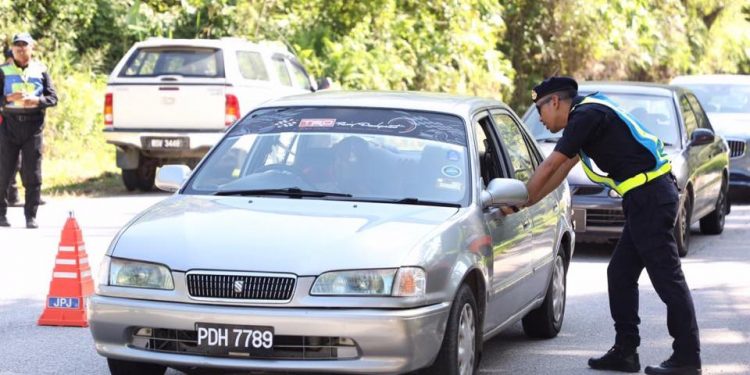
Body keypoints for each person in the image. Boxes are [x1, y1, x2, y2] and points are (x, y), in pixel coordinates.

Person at [521, 77, 701, 375]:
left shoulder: (585, 116)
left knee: (668, 279)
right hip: (646, 198)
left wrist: (521, 200)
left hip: (651, 198)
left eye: (540, 109)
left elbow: (552, 164)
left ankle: (687, 358)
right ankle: (625, 351)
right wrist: (528, 202)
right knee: (620, 273)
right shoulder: (587, 116)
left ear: (555, 102)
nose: (540, 118)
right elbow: (564, 168)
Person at [0, 33, 57, 229]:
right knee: (4, 172)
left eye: (24, 46)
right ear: (12, 49)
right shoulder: (3, 70)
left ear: (32, 48)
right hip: (9, 127)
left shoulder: (41, 69)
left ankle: (30, 216)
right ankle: (1, 215)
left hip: (33, 126)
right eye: (17, 46)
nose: (21, 49)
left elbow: (53, 98)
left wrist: (37, 101)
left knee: (33, 174)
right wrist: (8, 98)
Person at [0, 48, 20, 207]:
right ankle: (10, 197)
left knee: (15, 161)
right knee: (8, 161)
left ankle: (13, 196)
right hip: (5, 123)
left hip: (15, 123)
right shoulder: (3, 73)